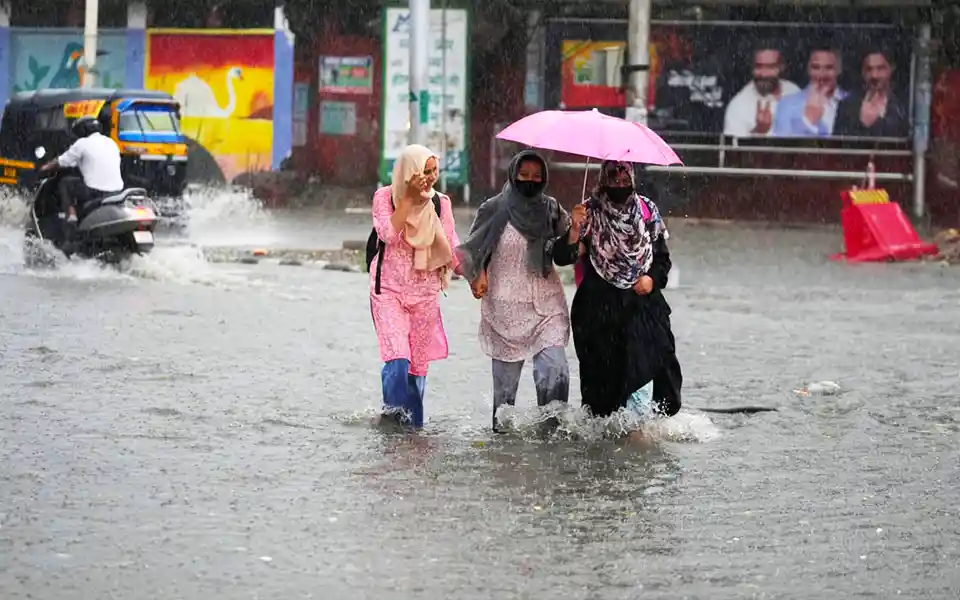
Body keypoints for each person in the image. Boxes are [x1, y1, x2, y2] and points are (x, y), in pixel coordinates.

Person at [456, 150, 587, 432]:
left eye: (537, 176)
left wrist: (574, 230)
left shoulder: (552, 210)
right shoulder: (494, 209)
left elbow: (564, 256)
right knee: (504, 403)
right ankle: (503, 453)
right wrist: (477, 275)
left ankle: (551, 440)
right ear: (513, 175)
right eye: (524, 175)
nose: (530, 181)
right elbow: (473, 251)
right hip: (505, 309)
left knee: (555, 370)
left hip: (546, 306)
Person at [559, 160, 682, 429]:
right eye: (614, 181)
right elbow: (563, 257)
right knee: (602, 387)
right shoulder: (588, 212)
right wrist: (574, 230)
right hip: (599, 313)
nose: (620, 186)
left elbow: (662, 259)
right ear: (603, 181)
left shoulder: (647, 211)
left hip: (642, 307)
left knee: (644, 366)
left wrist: (651, 280)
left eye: (625, 181)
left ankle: (638, 433)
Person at [369, 144, 461, 429]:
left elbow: (451, 243)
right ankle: (392, 421)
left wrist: (476, 277)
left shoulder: (439, 202)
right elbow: (387, 234)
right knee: (397, 361)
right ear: (409, 173)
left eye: (434, 171)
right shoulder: (385, 197)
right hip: (389, 292)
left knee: (416, 369)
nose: (431, 178)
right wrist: (408, 199)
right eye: (425, 171)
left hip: (425, 294)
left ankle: (414, 433)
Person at [38, 116, 124, 235]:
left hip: (95, 192)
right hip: (117, 192)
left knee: (65, 182)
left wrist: (43, 168)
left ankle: (71, 215)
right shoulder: (111, 142)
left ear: (82, 130)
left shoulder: (82, 143)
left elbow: (61, 161)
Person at [723, 44, 800, 138]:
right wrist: (759, 131)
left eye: (770, 67)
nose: (763, 74)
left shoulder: (793, 90)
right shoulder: (738, 107)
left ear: (782, 67)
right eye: (758, 67)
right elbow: (734, 151)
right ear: (752, 68)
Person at [772, 47, 848, 137]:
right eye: (816, 67)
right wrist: (808, 122)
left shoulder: (851, 103)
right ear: (808, 69)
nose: (821, 74)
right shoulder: (787, 104)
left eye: (829, 68)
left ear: (838, 70)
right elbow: (783, 146)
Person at [834, 49, 908, 138]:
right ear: (863, 72)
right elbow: (839, 143)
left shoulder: (902, 105)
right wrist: (861, 124)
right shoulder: (847, 105)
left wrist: (876, 123)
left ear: (891, 68)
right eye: (869, 69)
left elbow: (904, 139)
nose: (874, 75)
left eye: (880, 68)